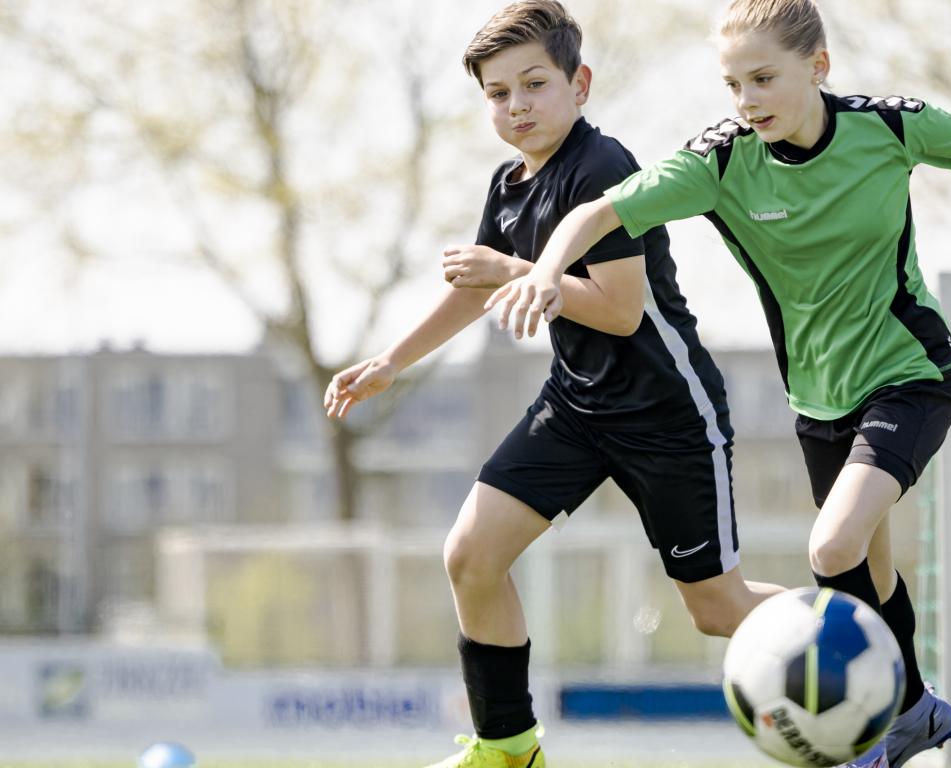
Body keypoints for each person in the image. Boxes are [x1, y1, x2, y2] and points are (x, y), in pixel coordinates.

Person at [484, 1, 951, 766]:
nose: (747, 100)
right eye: (732, 84)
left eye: (763, 78)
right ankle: (914, 708)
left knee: (832, 547)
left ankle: (857, 741)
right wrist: (550, 272)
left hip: (912, 374)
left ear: (818, 66)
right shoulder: (720, 162)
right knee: (872, 575)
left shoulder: (890, 127)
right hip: (817, 402)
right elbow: (597, 212)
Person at [323, 3, 785, 766]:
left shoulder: (603, 167)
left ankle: (863, 643)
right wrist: (391, 362)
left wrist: (515, 272)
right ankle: (508, 748)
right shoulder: (508, 186)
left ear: (581, 85)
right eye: (499, 94)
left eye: (534, 84)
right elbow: (474, 290)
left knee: (716, 609)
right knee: (470, 555)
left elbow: (619, 307)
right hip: (576, 406)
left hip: (669, 412)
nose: (517, 105)